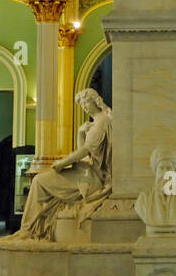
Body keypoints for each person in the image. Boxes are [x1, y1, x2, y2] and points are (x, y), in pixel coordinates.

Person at [13, 89, 112, 241]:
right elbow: (85, 151)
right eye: (80, 104)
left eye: (85, 102)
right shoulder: (98, 122)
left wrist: (61, 163)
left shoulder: (100, 124)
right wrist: (80, 133)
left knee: (39, 181)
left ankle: (28, 229)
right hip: (88, 171)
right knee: (41, 180)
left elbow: (84, 152)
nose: (84, 106)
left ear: (95, 101)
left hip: (93, 178)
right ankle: (32, 227)